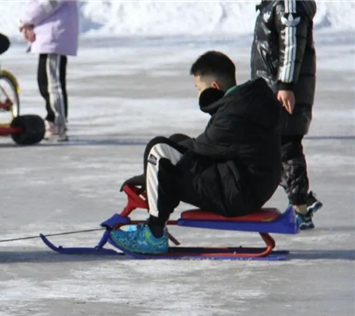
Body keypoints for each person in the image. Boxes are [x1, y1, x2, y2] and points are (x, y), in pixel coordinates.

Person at [110, 51, 284, 254]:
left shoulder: (234, 113)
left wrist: (153, 171)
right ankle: (157, 210)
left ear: (214, 87)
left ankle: (154, 235)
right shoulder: (247, 100)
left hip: (238, 193)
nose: (199, 95)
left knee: (159, 149)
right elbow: (203, 146)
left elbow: (202, 146)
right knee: (174, 142)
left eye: (199, 89)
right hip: (248, 183)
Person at [251, 0, 321, 230]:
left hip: (283, 91)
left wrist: (286, 84)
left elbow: (292, 44)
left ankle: (301, 208)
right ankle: (301, 200)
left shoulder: (288, 4)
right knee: (277, 145)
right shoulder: (275, 3)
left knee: (286, 146)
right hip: (272, 88)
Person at [20, 0, 79, 142]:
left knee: (53, 83)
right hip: (47, 36)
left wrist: (27, 19)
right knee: (44, 83)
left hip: (54, 36)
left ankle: (57, 123)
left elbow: (49, 3)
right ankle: (52, 119)